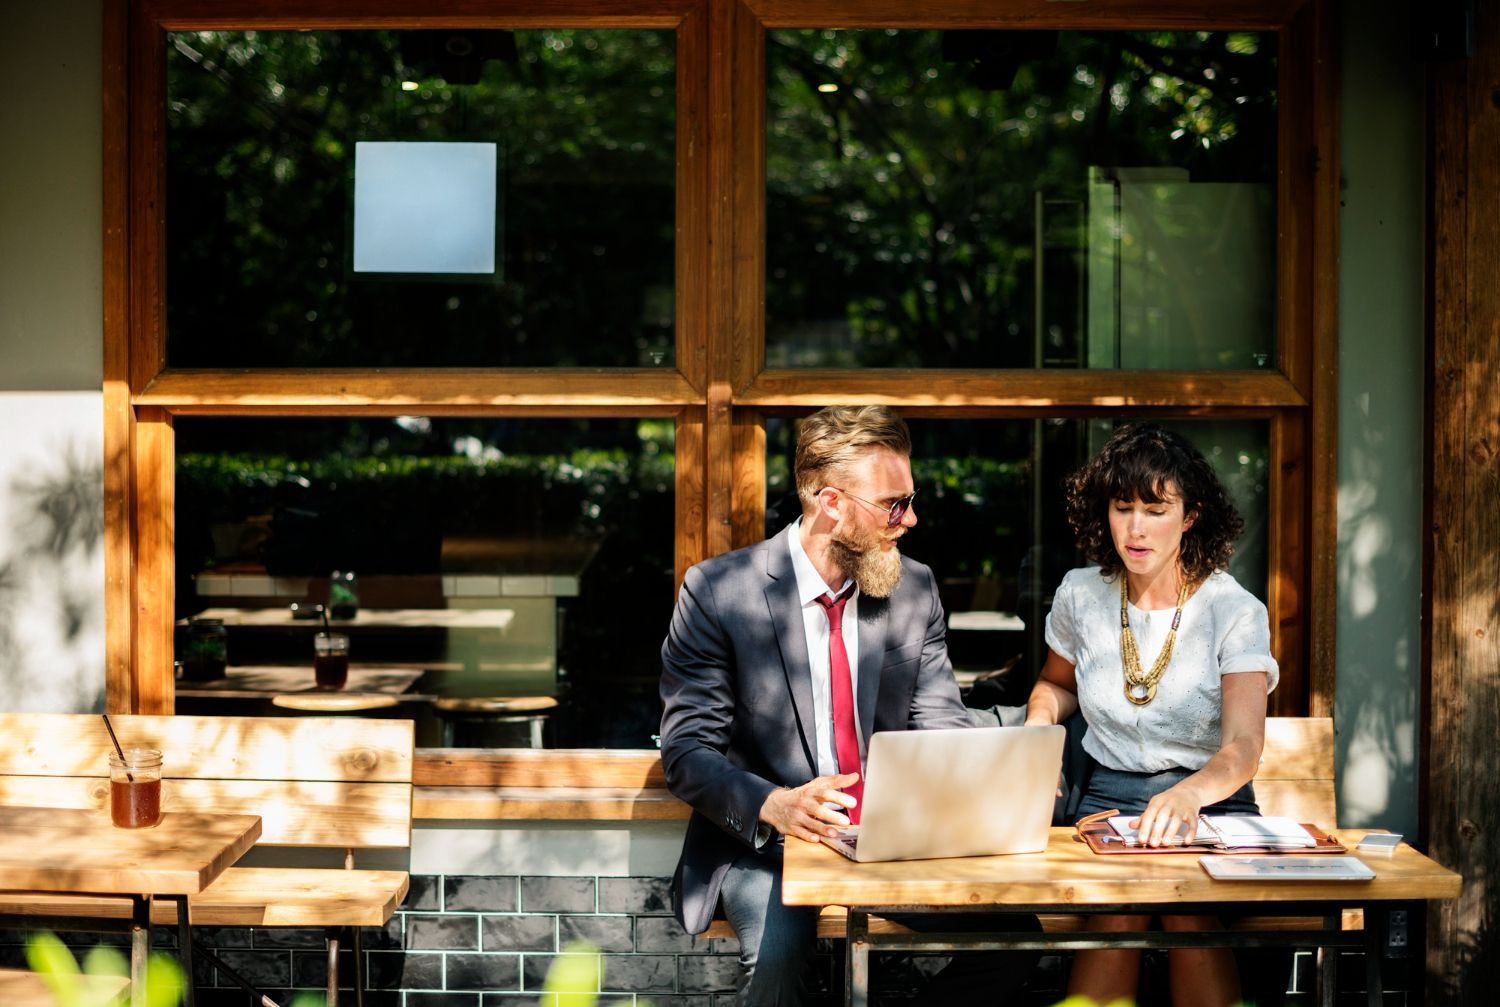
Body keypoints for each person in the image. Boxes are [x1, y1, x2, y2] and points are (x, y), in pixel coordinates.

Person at [660, 405, 1035, 1006]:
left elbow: (938, 727)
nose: (909, 519)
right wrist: (775, 805)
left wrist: (979, 788)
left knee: (1012, 941)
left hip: (885, 840)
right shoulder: (718, 592)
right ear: (830, 503)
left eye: (910, 499)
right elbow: (686, 752)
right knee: (778, 962)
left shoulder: (913, 588)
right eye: (893, 503)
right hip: (771, 847)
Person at [1024, 422, 1277, 1007]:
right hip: (1107, 801)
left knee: (1187, 911)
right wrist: (1040, 725)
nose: (1135, 528)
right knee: (1120, 911)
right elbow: (1055, 685)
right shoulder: (1080, 594)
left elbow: (1243, 748)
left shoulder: (1233, 609)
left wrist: (1188, 796)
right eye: (1122, 508)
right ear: (1104, 513)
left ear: (1190, 516)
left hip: (1213, 806)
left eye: (1156, 509)